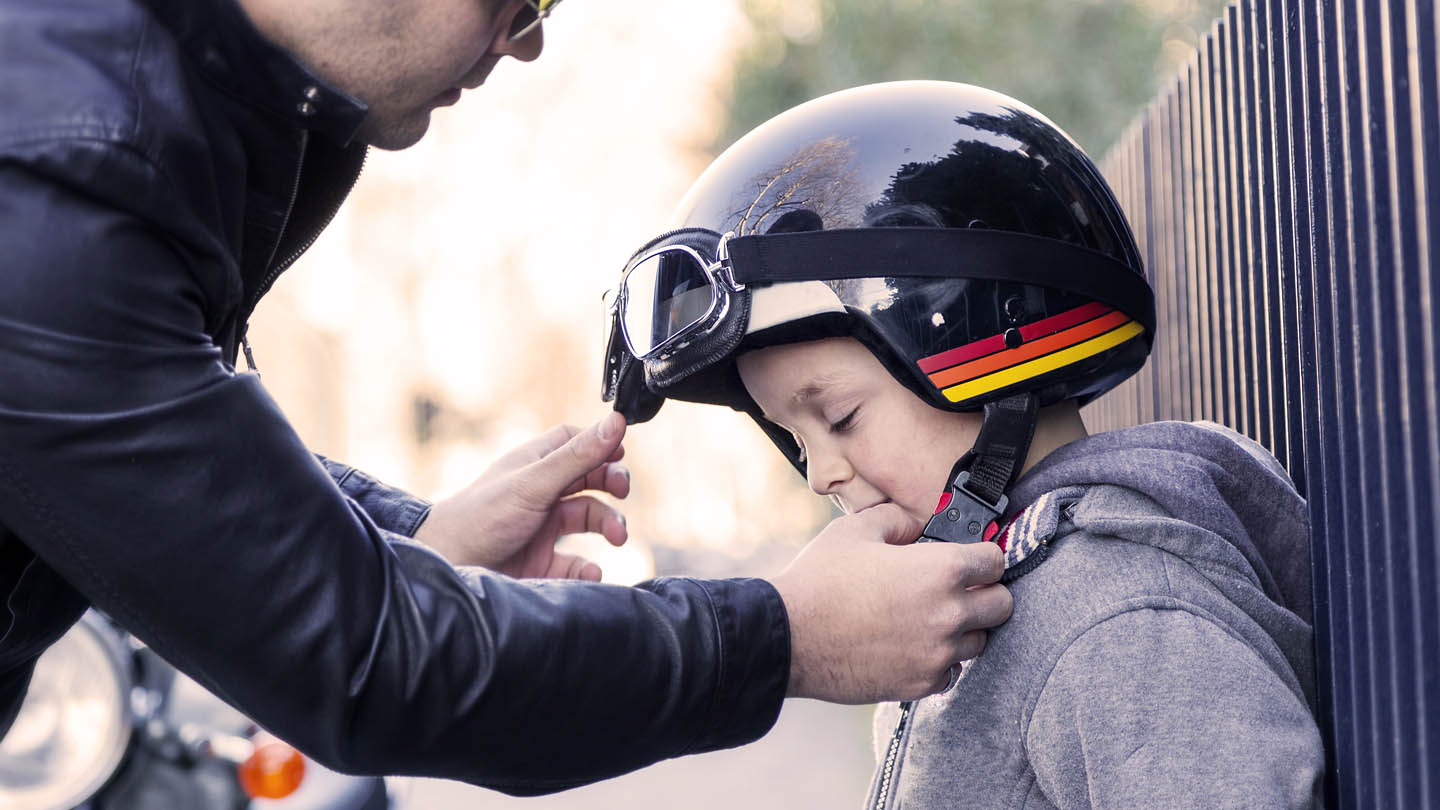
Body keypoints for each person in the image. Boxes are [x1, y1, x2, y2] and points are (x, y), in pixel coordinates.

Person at [0, 0, 1015, 794]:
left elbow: (163, 456)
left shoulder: (132, 101)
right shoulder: (56, 187)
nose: (526, 41)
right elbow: (367, 663)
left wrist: (409, 535)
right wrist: (788, 637)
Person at [602, 81, 1325, 808]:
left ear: (991, 339)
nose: (821, 474)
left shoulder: (1121, 628)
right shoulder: (961, 601)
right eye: (794, 436)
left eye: (842, 416)